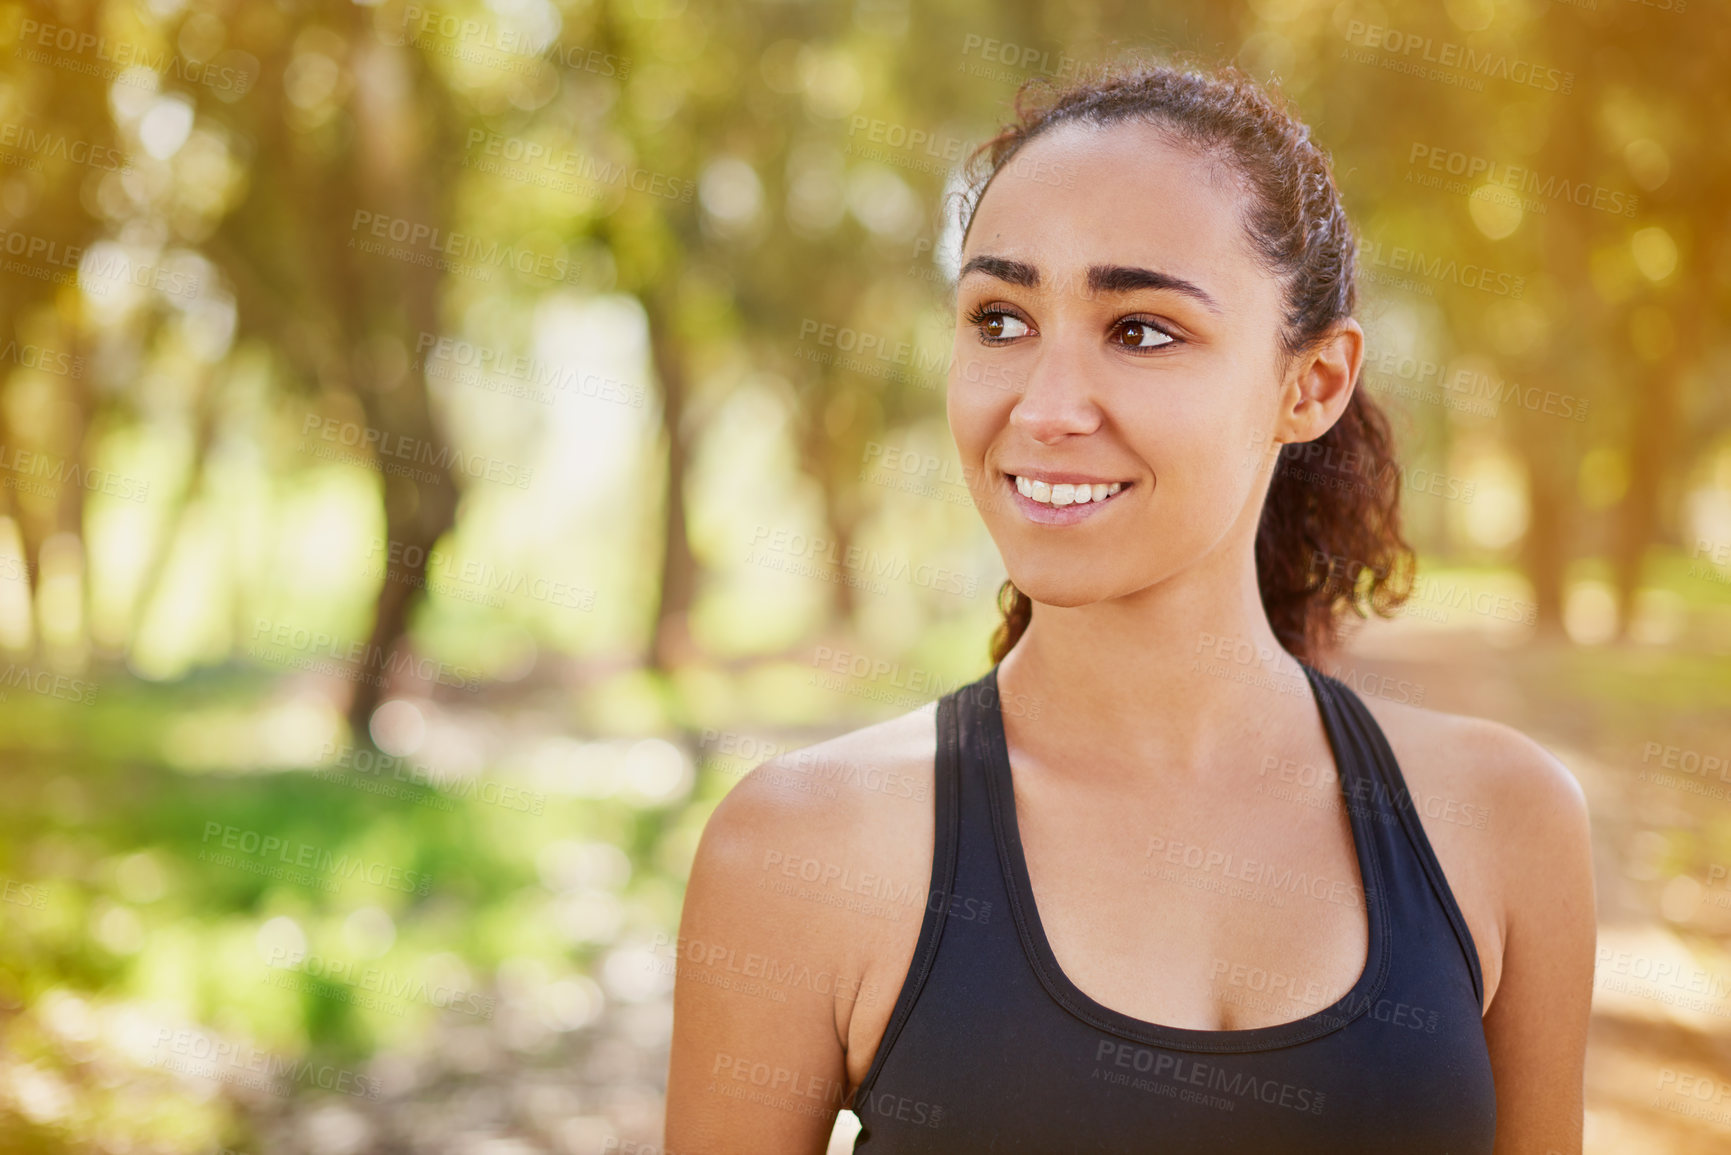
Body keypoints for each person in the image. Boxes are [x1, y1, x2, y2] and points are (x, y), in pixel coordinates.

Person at [663, 62, 1595, 1154]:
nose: (1046, 407)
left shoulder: (1506, 822)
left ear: (1314, 383)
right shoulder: (797, 850)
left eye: (1141, 329)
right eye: (1001, 319)